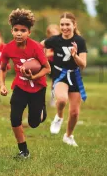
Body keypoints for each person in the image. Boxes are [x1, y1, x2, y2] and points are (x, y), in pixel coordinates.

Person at [0, 8, 51, 159]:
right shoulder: (7, 48)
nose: (19, 33)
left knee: (34, 123)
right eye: (16, 30)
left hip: (37, 88)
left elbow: (47, 68)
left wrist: (33, 76)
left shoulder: (36, 47)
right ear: (12, 31)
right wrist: (2, 85)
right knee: (15, 118)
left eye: (23, 30)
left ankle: (41, 110)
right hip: (20, 87)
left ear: (29, 32)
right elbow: (2, 69)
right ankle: (24, 151)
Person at [41, 12, 87, 147]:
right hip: (60, 75)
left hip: (75, 77)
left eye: (67, 24)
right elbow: (39, 46)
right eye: (62, 24)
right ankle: (59, 116)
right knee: (61, 100)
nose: (65, 27)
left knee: (74, 112)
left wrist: (75, 56)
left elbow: (83, 64)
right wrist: (36, 60)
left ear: (74, 25)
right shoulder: (55, 40)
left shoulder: (80, 41)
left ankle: (68, 136)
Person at [44, 24, 60, 107]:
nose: (53, 34)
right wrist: (56, 52)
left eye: (54, 32)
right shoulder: (48, 42)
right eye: (51, 33)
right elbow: (47, 54)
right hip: (49, 64)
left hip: (58, 64)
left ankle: (53, 98)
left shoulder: (61, 41)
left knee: (56, 82)